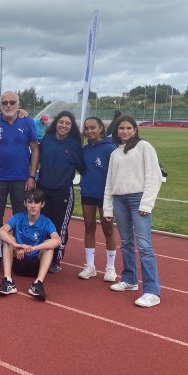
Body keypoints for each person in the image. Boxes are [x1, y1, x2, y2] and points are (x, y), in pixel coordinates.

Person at [103, 115, 162, 308]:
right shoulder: (115, 153)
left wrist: (146, 204)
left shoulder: (145, 147)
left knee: (144, 245)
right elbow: (109, 183)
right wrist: (107, 208)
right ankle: (129, 279)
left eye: (129, 128)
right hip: (119, 200)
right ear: (117, 131)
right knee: (126, 242)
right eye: (121, 128)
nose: (125, 131)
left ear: (135, 130)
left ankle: (152, 290)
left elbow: (154, 176)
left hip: (138, 199)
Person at [0, 91, 39, 233]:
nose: (8, 105)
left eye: (12, 102)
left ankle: (20, 251)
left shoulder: (28, 121)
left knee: (21, 216)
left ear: (18, 105)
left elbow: (35, 149)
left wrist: (32, 176)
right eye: (4, 103)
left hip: (21, 178)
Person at [37, 110, 84, 273]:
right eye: (61, 122)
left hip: (63, 192)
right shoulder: (47, 140)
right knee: (42, 224)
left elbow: (83, 168)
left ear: (71, 127)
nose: (63, 125)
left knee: (59, 227)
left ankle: (56, 259)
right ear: (56, 123)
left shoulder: (75, 145)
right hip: (43, 189)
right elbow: (36, 159)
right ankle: (40, 255)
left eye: (68, 123)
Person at [0, 189, 60, 301]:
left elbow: (57, 240)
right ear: (25, 203)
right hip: (19, 261)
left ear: (42, 204)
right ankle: (8, 281)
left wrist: (32, 248)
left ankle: (38, 284)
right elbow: (0, 231)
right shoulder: (18, 217)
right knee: (8, 239)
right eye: (30, 202)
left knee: (49, 246)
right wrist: (16, 246)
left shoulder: (46, 222)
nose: (33, 206)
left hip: (36, 264)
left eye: (36, 202)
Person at [78, 117, 117, 282]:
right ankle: (90, 266)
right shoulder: (84, 150)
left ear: (101, 128)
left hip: (105, 196)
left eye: (93, 127)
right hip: (87, 193)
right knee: (88, 227)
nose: (89, 131)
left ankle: (110, 268)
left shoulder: (110, 149)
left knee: (108, 228)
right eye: (86, 128)